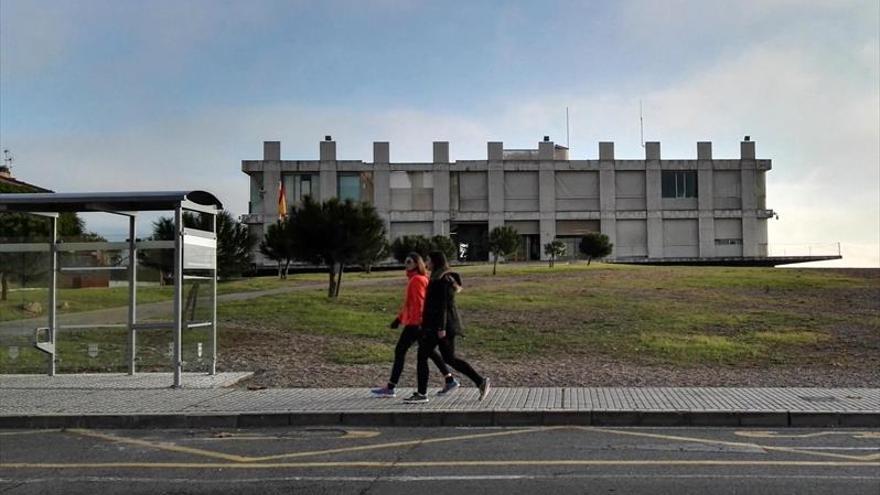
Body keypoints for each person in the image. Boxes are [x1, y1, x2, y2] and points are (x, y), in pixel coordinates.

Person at [404, 251, 490, 404]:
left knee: (423, 355)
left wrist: (441, 328)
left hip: (441, 327)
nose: (426, 263)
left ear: (435, 262)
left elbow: (443, 305)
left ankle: (422, 394)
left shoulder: (443, 279)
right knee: (449, 358)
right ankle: (480, 381)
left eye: (428, 260)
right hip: (437, 326)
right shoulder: (438, 277)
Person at [371, 252, 459, 398]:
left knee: (401, 351)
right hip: (418, 322)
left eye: (409, 262)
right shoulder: (420, 279)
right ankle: (449, 379)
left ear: (417, 264)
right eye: (405, 262)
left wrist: (419, 323)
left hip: (416, 323)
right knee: (429, 352)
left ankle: (391, 387)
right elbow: (409, 305)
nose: (406, 265)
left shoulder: (417, 280)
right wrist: (399, 319)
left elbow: (419, 304)